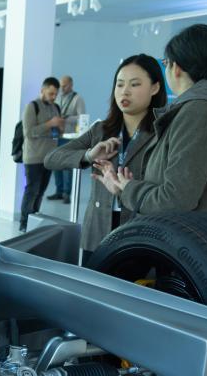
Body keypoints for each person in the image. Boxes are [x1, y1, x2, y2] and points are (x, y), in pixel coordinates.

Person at [93, 24, 207, 223]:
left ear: (175, 68)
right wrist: (125, 189)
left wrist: (128, 188)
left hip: (190, 236)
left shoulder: (198, 114)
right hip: (199, 234)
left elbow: (174, 200)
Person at [44, 55, 167, 257]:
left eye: (135, 84)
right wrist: (89, 155)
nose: (125, 91)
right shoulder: (101, 130)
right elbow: (51, 158)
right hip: (97, 232)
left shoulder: (163, 133)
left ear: (155, 88)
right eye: (120, 84)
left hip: (140, 233)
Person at [19, 77, 64, 231]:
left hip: (49, 157)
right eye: (51, 93)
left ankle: (34, 220)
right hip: (33, 157)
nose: (53, 97)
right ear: (42, 90)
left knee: (41, 191)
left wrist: (60, 127)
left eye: (56, 94)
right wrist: (50, 124)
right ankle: (24, 223)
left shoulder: (56, 107)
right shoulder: (32, 107)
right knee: (32, 191)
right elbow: (29, 132)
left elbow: (57, 133)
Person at [47, 75, 87, 203]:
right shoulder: (58, 97)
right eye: (61, 86)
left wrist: (67, 118)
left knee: (67, 166)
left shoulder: (78, 98)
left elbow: (82, 117)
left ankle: (66, 193)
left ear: (71, 85)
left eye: (64, 86)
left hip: (69, 137)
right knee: (56, 164)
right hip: (56, 135)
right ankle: (58, 191)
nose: (62, 88)